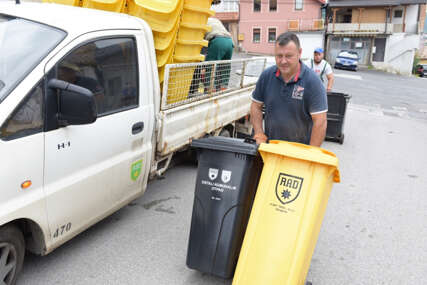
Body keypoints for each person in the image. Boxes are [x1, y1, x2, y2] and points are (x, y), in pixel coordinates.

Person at [250, 32, 328, 147]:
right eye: (279, 56)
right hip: (270, 148)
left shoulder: (312, 82)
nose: (283, 61)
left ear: (299, 53)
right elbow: (255, 106)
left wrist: (311, 154)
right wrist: (259, 133)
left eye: (288, 56)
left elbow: (320, 121)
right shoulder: (267, 76)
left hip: (299, 152)